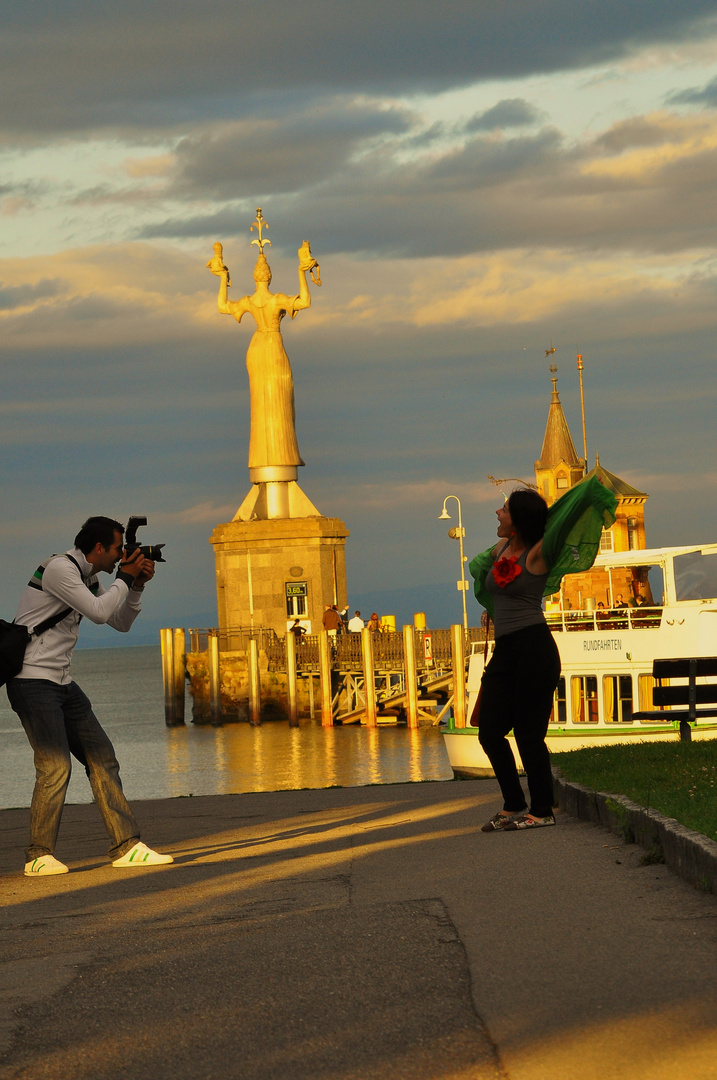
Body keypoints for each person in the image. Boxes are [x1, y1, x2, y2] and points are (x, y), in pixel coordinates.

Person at [7, 517, 174, 876]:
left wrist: (136, 588)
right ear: (98, 548)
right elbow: (99, 613)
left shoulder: (92, 578)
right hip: (33, 682)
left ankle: (127, 846)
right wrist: (125, 578)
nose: (120, 556)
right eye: (117, 550)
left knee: (103, 758)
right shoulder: (58, 569)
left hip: (62, 683)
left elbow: (119, 622)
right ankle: (38, 856)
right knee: (55, 766)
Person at [469, 477, 617, 833]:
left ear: (518, 519)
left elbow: (562, 521)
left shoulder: (538, 553)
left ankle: (541, 809)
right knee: (489, 732)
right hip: (506, 650)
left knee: (528, 734)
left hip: (534, 649)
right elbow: (480, 568)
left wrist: (587, 493)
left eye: (504, 509)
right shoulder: (500, 551)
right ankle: (513, 804)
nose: (497, 511)